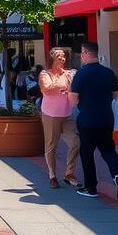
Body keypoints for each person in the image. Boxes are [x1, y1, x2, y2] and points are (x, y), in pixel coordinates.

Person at [69, 42, 118, 202]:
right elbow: (117, 95)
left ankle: (91, 187)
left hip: (87, 120)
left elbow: (72, 101)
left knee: (87, 153)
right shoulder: (108, 73)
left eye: (81, 53)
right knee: (109, 150)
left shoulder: (81, 74)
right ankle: (117, 176)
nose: (81, 56)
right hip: (106, 119)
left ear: (86, 53)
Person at [38, 47, 79, 189]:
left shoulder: (68, 74)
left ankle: (69, 173)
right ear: (52, 59)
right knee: (51, 146)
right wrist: (62, 85)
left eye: (64, 56)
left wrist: (65, 87)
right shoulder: (45, 73)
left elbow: (73, 88)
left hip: (66, 114)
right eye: (59, 56)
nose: (62, 58)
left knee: (76, 142)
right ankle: (52, 175)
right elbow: (46, 89)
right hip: (50, 115)